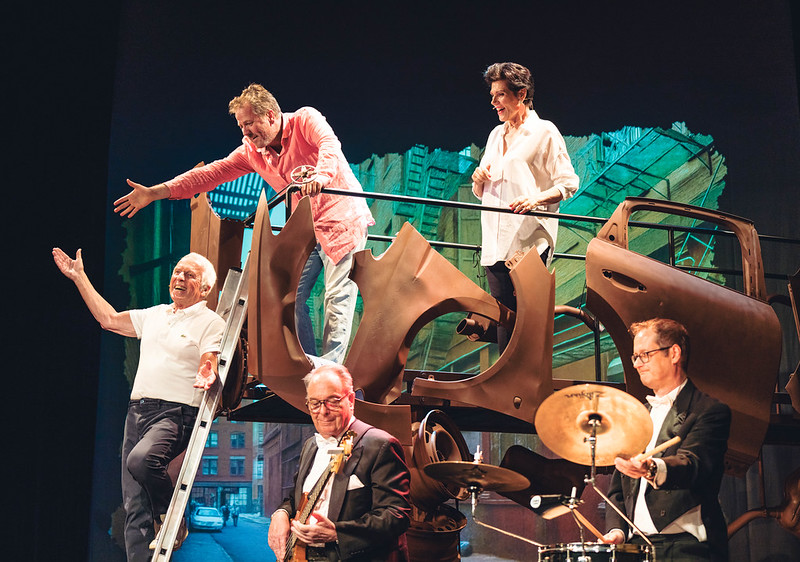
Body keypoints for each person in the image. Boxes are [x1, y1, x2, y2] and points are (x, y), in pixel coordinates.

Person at [113, 83, 374, 365]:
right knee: (289, 295)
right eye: (241, 126)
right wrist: (156, 192)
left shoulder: (305, 120)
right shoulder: (251, 151)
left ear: (270, 115)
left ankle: (330, 373)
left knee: (337, 298)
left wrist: (321, 176)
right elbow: (209, 174)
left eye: (249, 124)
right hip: (307, 229)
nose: (245, 133)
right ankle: (309, 366)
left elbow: (329, 145)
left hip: (342, 220)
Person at [52, 248, 226, 561]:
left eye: (189, 275)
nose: (179, 277)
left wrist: (207, 370)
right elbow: (108, 320)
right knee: (134, 506)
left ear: (204, 289)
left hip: (176, 412)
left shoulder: (209, 322)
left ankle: (171, 516)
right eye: (177, 271)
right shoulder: (155, 315)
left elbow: (209, 357)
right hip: (138, 411)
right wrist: (79, 278)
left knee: (141, 460)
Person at [601, 318, 731, 561]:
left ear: (674, 353)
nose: (637, 364)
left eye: (645, 355)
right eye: (635, 357)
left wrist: (651, 468)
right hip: (636, 546)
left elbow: (692, 464)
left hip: (686, 547)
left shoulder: (709, 411)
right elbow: (618, 488)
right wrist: (617, 530)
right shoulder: (636, 416)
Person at [470, 62, 579, 352]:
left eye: (500, 95)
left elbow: (568, 183)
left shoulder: (544, 131)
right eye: (492, 95)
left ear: (521, 94)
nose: (493, 102)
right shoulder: (495, 135)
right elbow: (483, 188)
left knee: (525, 321)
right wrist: (478, 179)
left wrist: (535, 199)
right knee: (504, 320)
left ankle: (527, 378)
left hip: (527, 241)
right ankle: (506, 378)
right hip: (494, 242)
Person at [267, 364, 411, 561]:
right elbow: (296, 498)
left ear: (350, 400)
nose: (323, 411)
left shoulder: (381, 445)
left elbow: (396, 514)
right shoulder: (310, 446)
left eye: (332, 401)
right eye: (315, 403)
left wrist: (337, 533)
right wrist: (280, 514)